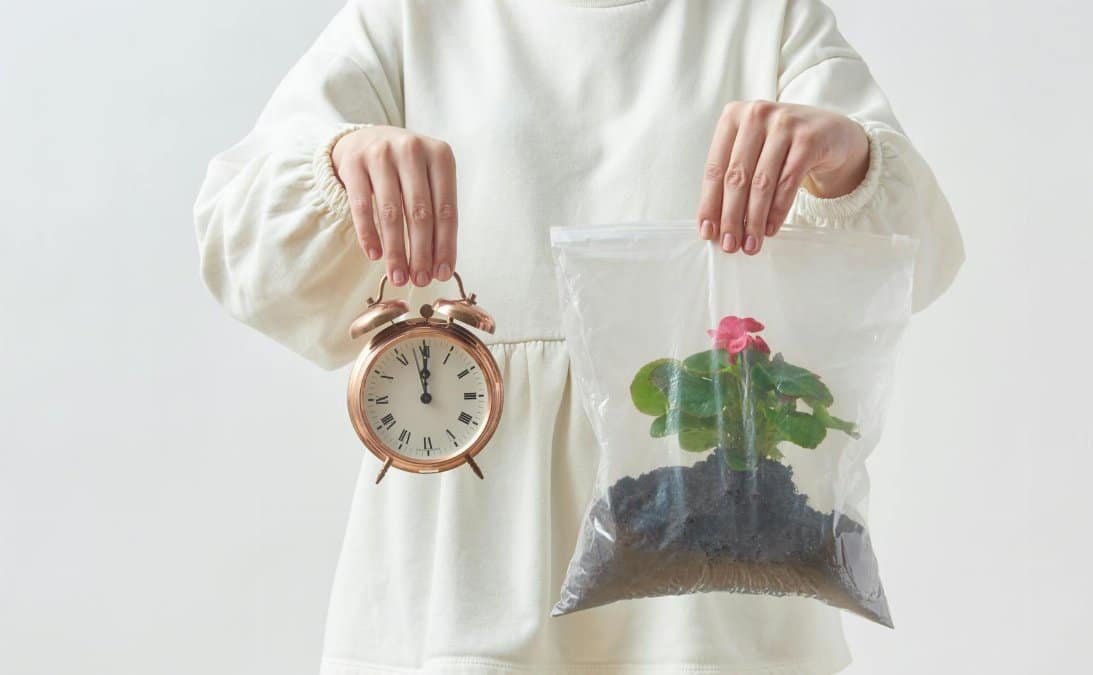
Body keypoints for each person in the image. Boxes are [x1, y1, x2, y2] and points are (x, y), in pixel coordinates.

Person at [194, 1, 965, 673]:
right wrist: (338, 163)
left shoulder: (767, 19)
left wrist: (847, 163)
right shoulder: (410, 18)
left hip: (711, 597)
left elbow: (914, 261)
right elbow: (242, 245)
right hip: (461, 575)